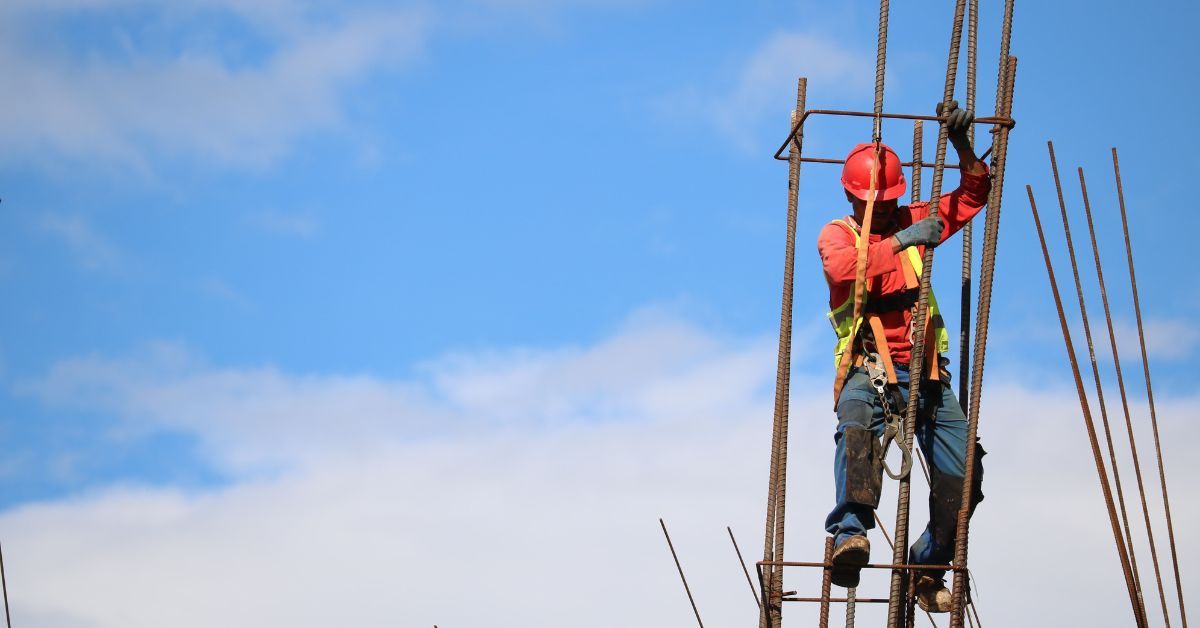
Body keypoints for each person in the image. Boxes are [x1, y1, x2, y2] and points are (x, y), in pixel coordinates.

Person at [816, 101, 987, 613]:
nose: (888, 210)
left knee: (966, 480)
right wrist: (902, 239)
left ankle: (926, 565)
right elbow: (846, 270)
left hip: (927, 377)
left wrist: (962, 147)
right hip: (869, 369)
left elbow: (973, 196)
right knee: (856, 424)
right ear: (853, 195)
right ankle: (851, 532)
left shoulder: (912, 219)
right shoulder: (837, 236)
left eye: (892, 202)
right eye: (879, 203)